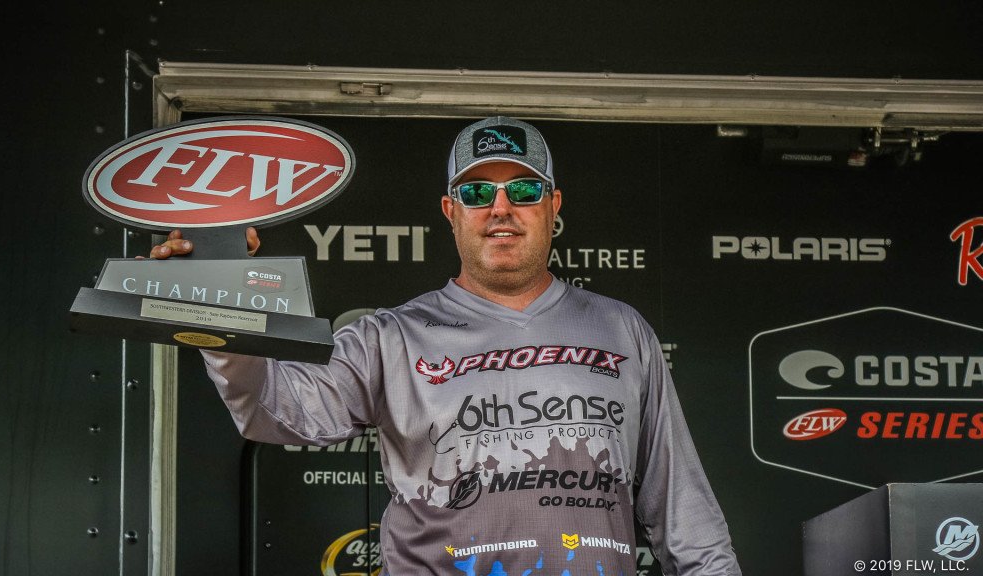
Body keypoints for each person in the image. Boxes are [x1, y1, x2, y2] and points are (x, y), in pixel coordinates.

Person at [152, 116, 742, 575]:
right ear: (450, 211)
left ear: (553, 205)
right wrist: (220, 304)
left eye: (524, 189)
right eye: (477, 192)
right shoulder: (391, 336)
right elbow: (273, 407)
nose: (501, 208)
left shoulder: (622, 329)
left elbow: (685, 515)